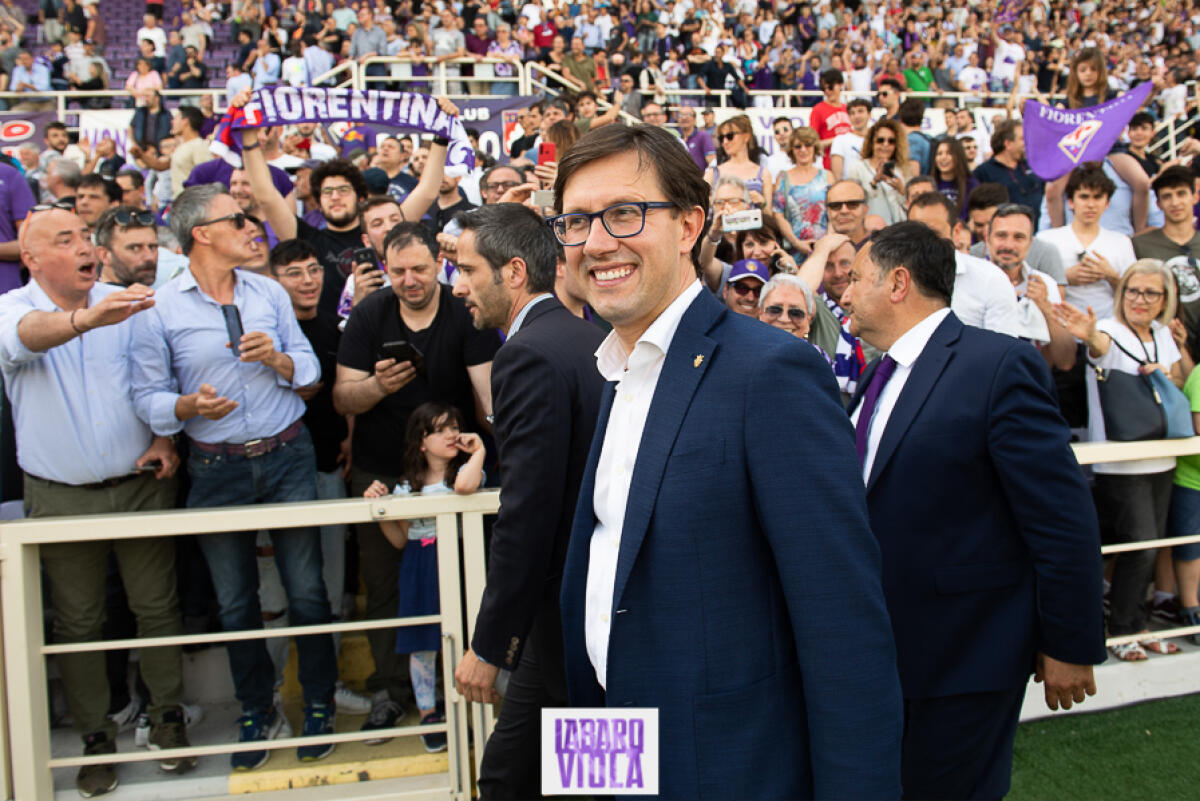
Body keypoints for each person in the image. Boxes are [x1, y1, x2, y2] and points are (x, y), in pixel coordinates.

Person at [553, 122, 903, 799]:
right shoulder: (616, 370)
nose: (596, 241)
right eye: (575, 221)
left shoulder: (772, 371)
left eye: (624, 213)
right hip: (608, 746)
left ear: (688, 226)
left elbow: (844, 625)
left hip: (723, 765)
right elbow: (606, 584)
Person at [842, 220, 1105, 800]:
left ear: (898, 283)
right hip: (888, 650)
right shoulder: (876, 375)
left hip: (965, 657)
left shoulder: (996, 366)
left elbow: (1061, 517)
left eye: (856, 278)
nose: (843, 292)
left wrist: (1071, 640)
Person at [130, 184, 340, 769]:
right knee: (235, 601)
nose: (252, 228)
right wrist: (188, 407)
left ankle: (317, 701)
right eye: (238, 220)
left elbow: (310, 371)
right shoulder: (161, 309)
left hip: (287, 452)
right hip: (215, 467)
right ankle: (256, 706)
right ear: (202, 234)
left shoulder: (268, 292)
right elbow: (147, 399)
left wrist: (277, 359)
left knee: (307, 590)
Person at [0, 205, 192, 798]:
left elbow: (151, 382)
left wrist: (163, 435)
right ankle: (95, 738)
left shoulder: (125, 303)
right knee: (80, 622)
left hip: (138, 488)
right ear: (31, 257)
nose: (85, 245)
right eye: (66, 239)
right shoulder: (13, 308)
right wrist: (85, 321)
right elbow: (26, 341)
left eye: (86, 235)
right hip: (59, 498)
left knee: (156, 608)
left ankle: (167, 721)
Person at [447, 203, 605, 798]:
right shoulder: (584, 338)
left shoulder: (528, 353)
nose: (459, 286)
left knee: (527, 780)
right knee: (539, 777)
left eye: (467, 270)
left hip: (570, 620)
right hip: (575, 619)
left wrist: (489, 644)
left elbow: (528, 512)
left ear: (513, 272)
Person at [334, 221, 499, 742]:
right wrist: (377, 386)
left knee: (470, 582)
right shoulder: (368, 314)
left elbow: (488, 397)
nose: (410, 280)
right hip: (383, 471)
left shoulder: (461, 310)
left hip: (453, 475)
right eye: (399, 270)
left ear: (439, 266)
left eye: (420, 269)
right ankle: (390, 694)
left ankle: (468, 691)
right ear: (386, 269)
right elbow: (343, 398)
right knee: (384, 585)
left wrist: (490, 448)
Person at [1054, 260, 1185, 661]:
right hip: (1120, 461)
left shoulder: (1163, 333)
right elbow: (1099, 347)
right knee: (1141, 546)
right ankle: (1125, 628)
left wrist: (1167, 369)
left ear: (1165, 300)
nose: (1139, 300)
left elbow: (1180, 381)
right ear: (1121, 292)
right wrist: (1089, 333)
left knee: (1149, 545)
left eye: (1150, 293)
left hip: (1161, 456)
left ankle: (1136, 624)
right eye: (1132, 291)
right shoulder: (1109, 330)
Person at [231, 88, 457, 314]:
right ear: (318, 202)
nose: (335, 196)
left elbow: (427, 191)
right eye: (327, 192)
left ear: (360, 197)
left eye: (342, 190)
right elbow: (265, 195)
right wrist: (248, 134)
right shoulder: (306, 238)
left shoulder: (382, 229)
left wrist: (441, 135)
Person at [363, 403, 485, 752]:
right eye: (439, 429)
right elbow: (401, 539)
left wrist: (479, 451)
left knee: (463, 636)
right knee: (422, 640)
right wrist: (382, 506)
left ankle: (464, 710)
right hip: (420, 563)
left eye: (455, 426)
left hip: (459, 560)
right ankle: (431, 713)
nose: (451, 434)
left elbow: (464, 487)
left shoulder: (466, 473)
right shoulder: (406, 487)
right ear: (420, 442)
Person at [907, 191, 1023, 338]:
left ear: (956, 232)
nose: (921, 242)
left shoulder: (990, 279)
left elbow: (1002, 351)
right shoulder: (894, 277)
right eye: (914, 233)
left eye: (933, 233)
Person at [985, 203, 1077, 370]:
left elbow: (1065, 361)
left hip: (1028, 384)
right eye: (1001, 236)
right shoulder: (968, 279)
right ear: (987, 238)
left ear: (1030, 243)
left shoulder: (1044, 284)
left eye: (1018, 237)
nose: (1009, 245)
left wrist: (1046, 308)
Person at [1134, 166, 1200, 336]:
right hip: (1164, 336)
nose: (1175, 202)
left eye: (1181, 193)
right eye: (1167, 196)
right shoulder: (1140, 245)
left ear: (1195, 197)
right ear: (1158, 203)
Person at [843, 118, 913, 225]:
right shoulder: (858, 168)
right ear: (872, 143)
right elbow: (852, 201)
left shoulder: (903, 169)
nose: (885, 144)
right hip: (871, 230)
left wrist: (901, 190)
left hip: (899, 229)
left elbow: (911, 204)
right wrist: (874, 182)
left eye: (891, 141)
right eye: (880, 140)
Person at [772, 126, 830, 254]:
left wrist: (827, 244)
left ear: (815, 147)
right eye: (798, 146)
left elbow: (833, 213)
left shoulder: (827, 176)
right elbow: (778, 215)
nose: (803, 150)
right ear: (791, 150)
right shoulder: (782, 177)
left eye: (808, 145)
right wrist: (796, 243)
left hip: (824, 248)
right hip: (794, 249)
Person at [972, 120, 1045, 215]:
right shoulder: (983, 172)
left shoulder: (1033, 165)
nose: (1027, 143)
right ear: (1008, 144)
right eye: (1022, 139)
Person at [809, 68, 850, 170]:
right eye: (824, 89)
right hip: (830, 165)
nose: (827, 91)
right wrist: (838, 140)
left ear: (840, 85)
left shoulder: (848, 108)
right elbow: (812, 142)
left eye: (830, 87)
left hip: (850, 162)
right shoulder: (818, 110)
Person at [931, 137, 977, 222]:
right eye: (939, 153)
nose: (943, 157)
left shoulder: (971, 183)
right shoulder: (930, 184)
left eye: (949, 153)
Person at [829, 97, 871, 181]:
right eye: (852, 113)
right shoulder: (840, 140)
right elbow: (837, 177)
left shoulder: (878, 140)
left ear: (869, 115)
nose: (856, 116)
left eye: (860, 111)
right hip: (849, 190)